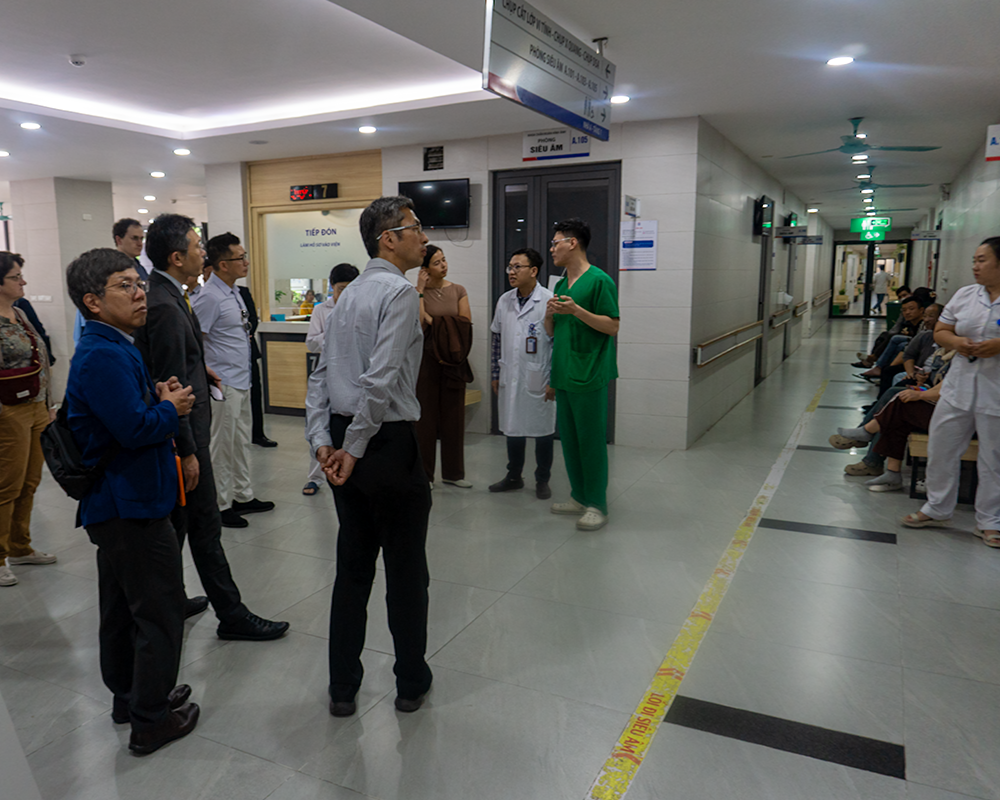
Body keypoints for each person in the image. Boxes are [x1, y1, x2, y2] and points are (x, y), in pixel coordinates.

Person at [65, 247, 199, 755]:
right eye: (125, 285)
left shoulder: (116, 345)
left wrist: (155, 395)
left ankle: (133, 696)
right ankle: (151, 718)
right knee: (159, 610)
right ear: (93, 302)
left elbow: (126, 413)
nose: (140, 293)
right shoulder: (102, 353)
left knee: (124, 606)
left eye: (138, 282)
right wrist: (170, 407)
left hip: (126, 499)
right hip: (128, 503)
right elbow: (134, 428)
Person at [305, 195, 433, 717]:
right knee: (406, 571)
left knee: (353, 568)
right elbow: (378, 383)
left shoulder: (347, 294)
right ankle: (409, 683)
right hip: (381, 442)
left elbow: (318, 380)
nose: (423, 237)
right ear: (389, 238)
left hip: (341, 438)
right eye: (415, 228)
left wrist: (324, 445)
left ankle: (342, 686)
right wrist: (353, 449)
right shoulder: (398, 293)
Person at [135, 214, 288, 641]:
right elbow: (169, 382)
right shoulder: (164, 304)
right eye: (197, 247)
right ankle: (232, 615)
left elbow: (184, 359)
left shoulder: (174, 294)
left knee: (187, 525)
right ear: (176, 255)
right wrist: (186, 450)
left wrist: (203, 371)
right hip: (186, 436)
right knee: (203, 526)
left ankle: (173, 598)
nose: (204, 252)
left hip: (192, 425)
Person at [902, 237, 1000, 543]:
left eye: (982, 260)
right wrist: (957, 342)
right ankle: (937, 508)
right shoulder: (965, 295)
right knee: (942, 448)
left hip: (995, 391)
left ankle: (990, 521)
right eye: (974, 260)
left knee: (994, 458)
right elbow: (941, 331)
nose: (975, 266)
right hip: (958, 386)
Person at [193, 233, 275, 528]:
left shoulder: (234, 292)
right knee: (222, 444)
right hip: (221, 383)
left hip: (241, 379)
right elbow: (196, 341)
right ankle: (220, 503)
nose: (246, 262)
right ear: (222, 265)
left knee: (241, 441)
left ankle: (242, 494)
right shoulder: (210, 297)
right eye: (240, 258)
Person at [545, 218, 620, 532]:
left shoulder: (599, 281)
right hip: (564, 372)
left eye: (555, 242)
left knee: (590, 441)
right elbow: (552, 330)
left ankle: (597, 505)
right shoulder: (561, 284)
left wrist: (577, 311)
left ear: (572, 242)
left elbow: (612, 325)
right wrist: (549, 315)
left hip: (589, 372)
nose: (552, 249)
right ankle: (578, 495)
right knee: (571, 440)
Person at [0, 252, 56, 587]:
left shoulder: (19, 313)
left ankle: (20, 546)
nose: (23, 282)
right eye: (15, 277)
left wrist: (48, 404)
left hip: (35, 408)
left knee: (30, 480)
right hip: (8, 412)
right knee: (6, 484)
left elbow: (42, 359)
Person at [488, 247, 556, 499]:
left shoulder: (549, 299)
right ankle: (514, 476)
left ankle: (542, 479)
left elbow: (558, 342)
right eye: (510, 267)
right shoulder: (504, 300)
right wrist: (495, 372)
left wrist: (555, 380)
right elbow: (497, 338)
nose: (512, 272)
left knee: (543, 428)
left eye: (518, 267)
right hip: (510, 374)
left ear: (534, 271)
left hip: (540, 376)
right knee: (512, 426)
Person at [414, 245, 473, 488]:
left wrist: (433, 321)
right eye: (437, 263)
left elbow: (465, 323)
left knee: (453, 416)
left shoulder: (458, 290)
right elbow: (417, 323)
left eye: (444, 260)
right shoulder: (416, 292)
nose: (444, 265)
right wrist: (419, 290)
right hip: (425, 360)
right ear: (425, 269)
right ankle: (425, 475)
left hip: (453, 359)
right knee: (424, 419)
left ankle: (453, 473)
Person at [303, 263, 359, 495]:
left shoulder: (360, 309)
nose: (344, 294)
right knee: (319, 423)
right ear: (332, 287)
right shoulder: (321, 310)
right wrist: (335, 335)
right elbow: (311, 341)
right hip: (325, 370)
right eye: (341, 288)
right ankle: (315, 477)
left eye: (350, 288)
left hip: (351, 374)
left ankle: (343, 467)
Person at [74, 218, 149, 346]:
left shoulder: (140, 268)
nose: (139, 243)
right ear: (119, 240)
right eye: (134, 238)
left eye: (141, 239)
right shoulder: (102, 269)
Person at [240, 282, 276, 448]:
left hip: (248, 352)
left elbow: (253, 319)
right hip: (224, 360)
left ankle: (258, 434)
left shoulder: (242, 292)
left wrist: (242, 335)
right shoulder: (208, 295)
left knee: (255, 394)